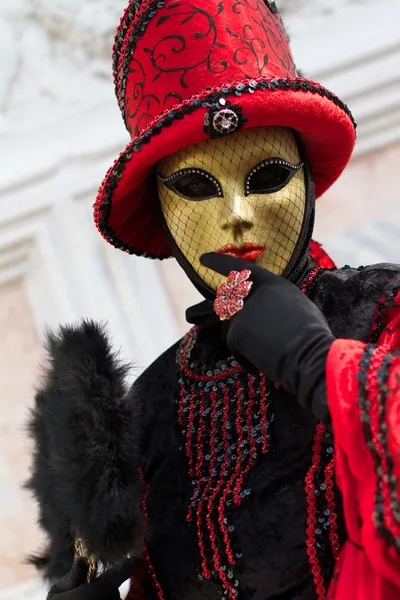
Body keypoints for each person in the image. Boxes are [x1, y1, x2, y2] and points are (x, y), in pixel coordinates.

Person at [27, 0, 400, 599]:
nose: (237, 214)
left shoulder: (384, 309)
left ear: (304, 179)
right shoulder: (149, 409)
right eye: (197, 187)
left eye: (267, 176)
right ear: (162, 211)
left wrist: (318, 365)